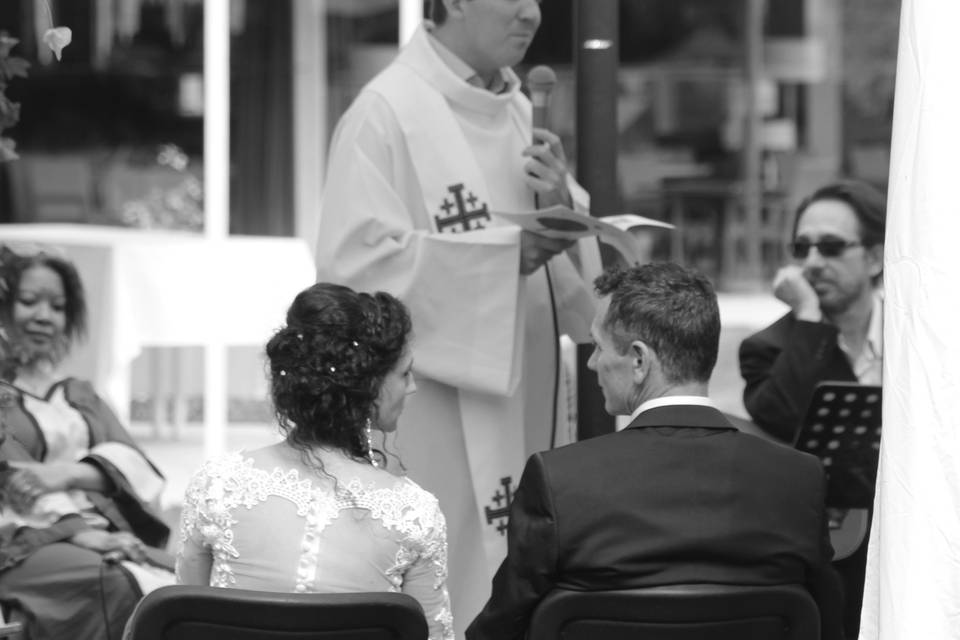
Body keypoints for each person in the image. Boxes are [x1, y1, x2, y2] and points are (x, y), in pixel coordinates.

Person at [314, 0, 599, 629]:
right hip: (431, 402)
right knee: (445, 570)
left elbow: (576, 271)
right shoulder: (385, 112)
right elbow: (351, 273)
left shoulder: (521, 108)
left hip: (528, 382)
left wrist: (560, 202)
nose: (532, 14)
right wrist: (503, 259)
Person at [466, 262, 844, 640]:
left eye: (598, 346)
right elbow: (828, 625)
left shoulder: (559, 482)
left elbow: (500, 629)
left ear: (639, 360)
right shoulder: (797, 480)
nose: (592, 362)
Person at [176, 282, 454, 640]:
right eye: (404, 374)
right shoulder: (414, 514)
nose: (412, 387)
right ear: (370, 386)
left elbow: (182, 624)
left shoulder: (216, 486)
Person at [0, 244, 174, 640]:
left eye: (58, 307)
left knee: (180, 581)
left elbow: (139, 466)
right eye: (29, 301)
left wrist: (63, 473)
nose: (44, 316)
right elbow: (12, 478)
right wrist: (81, 531)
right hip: (20, 539)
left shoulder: (80, 394)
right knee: (115, 584)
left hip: (98, 527)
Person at [738, 179, 886, 639]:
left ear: (876, 257)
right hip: (827, 561)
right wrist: (808, 319)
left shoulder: (925, 333)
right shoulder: (767, 348)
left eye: (832, 247)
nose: (813, 263)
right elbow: (781, 414)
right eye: (802, 248)